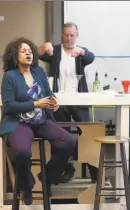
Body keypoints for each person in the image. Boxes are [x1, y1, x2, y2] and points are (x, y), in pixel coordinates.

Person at [0, 37, 76, 206]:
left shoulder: (39, 72)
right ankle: (26, 185)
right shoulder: (9, 76)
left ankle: (48, 176)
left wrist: (54, 102)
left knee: (69, 142)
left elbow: (48, 93)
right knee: (21, 151)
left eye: (30, 51)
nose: (28, 54)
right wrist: (35, 103)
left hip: (41, 121)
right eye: (23, 51)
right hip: (19, 123)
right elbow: (9, 106)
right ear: (14, 55)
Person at [38, 22, 97, 183]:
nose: (69, 38)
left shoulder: (80, 53)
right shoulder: (55, 51)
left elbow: (91, 57)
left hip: (79, 100)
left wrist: (82, 51)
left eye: (72, 35)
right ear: (62, 35)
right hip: (59, 102)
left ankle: (95, 174)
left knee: (89, 135)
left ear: (76, 36)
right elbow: (39, 54)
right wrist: (45, 45)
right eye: (66, 35)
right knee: (61, 137)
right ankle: (64, 172)